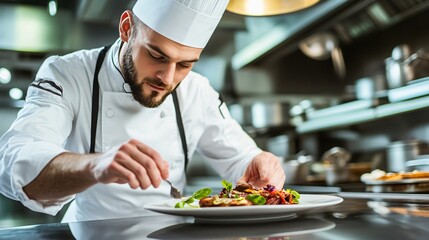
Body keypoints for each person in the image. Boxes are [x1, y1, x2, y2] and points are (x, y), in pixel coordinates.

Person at [0, 0, 285, 221]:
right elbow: (15, 164)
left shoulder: (198, 90)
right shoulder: (68, 73)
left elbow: (242, 162)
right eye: (156, 55)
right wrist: (97, 165)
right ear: (126, 28)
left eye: (185, 64)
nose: (168, 78)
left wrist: (258, 164)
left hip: (175, 232)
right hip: (93, 233)